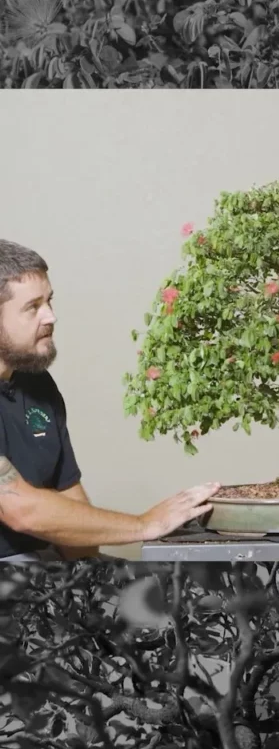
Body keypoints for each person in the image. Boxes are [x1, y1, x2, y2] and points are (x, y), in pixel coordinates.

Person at [0, 239, 220, 562]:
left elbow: (80, 544)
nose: (51, 317)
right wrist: (145, 524)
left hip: (44, 570)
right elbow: (18, 507)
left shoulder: (38, 386)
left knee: (173, 595)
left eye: (49, 301)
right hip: (10, 586)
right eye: (32, 307)